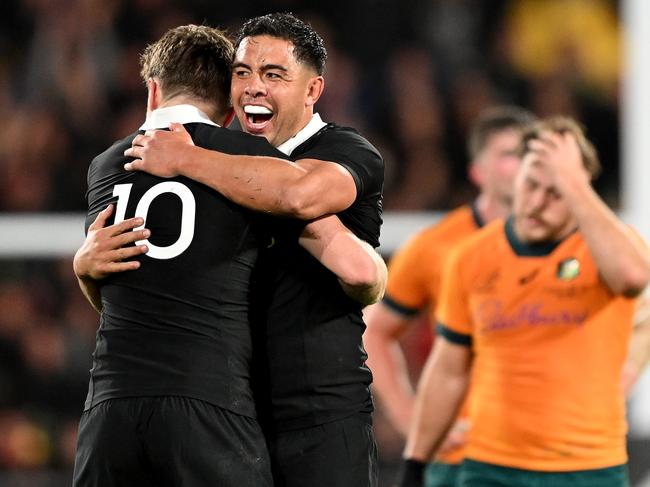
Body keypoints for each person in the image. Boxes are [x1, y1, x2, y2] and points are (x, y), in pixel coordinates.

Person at [71, 24, 386, 487]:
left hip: (317, 413)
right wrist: (85, 267)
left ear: (313, 89)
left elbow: (310, 211)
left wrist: (187, 158)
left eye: (274, 74)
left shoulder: (343, 151)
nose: (255, 85)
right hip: (232, 412)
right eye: (243, 72)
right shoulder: (231, 164)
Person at [395, 116, 650, 487]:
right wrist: (415, 461)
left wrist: (574, 182)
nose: (535, 204)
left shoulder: (609, 249)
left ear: (580, 190)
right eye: (530, 185)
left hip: (589, 467)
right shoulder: (472, 256)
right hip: (490, 467)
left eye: (555, 192)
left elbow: (632, 277)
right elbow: (448, 369)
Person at [363, 105, 536, 486]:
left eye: (531, 152)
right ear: (478, 171)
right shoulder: (436, 247)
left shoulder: (570, 241)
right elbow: (376, 334)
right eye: (510, 154)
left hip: (552, 449)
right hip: (465, 455)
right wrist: (412, 422)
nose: (524, 164)